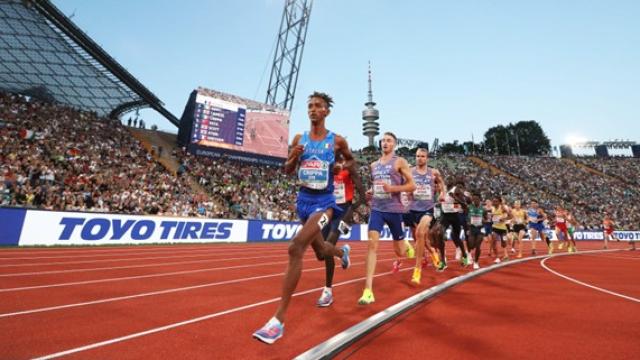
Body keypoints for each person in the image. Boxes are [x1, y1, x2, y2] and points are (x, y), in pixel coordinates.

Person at [253, 92, 352, 344]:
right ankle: (341, 253)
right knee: (321, 252)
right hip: (303, 203)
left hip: (325, 204)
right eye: (310, 106)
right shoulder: (300, 138)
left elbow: (352, 162)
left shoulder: (337, 141)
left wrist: (342, 168)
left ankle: (277, 321)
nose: (313, 109)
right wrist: (294, 156)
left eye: (318, 106)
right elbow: (287, 170)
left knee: (296, 247)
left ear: (326, 111)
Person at [358, 132, 416, 305]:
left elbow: (412, 185)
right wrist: (371, 191)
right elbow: (377, 184)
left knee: (399, 252)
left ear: (394, 144)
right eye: (383, 140)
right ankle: (368, 290)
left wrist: (392, 189)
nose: (385, 142)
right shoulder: (373, 165)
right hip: (377, 208)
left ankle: (404, 243)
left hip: (394, 210)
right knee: (372, 244)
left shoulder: (399, 162)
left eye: (389, 140)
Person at [316, 151, 366, 307]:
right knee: (321, 253)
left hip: (344, 212)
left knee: (328, 244)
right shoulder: (327, 167)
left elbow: (362, 193)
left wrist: (352, 209)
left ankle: (327, 291)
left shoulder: (349, 166)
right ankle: (341, 253)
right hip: (328, 210)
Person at [405, 148, 444, 285]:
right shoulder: (410, 171)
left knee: (420, 233)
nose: (419, 158)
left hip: (427, 209)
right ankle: (433, 253)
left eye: (422, 156)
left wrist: (442, 194)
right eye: (417, 156)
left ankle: (417, 270)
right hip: (412, 208)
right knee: (419, 238)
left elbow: (442, 184)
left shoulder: (434, 172)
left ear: (427, 158)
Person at [437, 176, 471, 269]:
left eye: (450, 179)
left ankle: (464, 255)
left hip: (454, 216)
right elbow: (441, 201)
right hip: (445, 216)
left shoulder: (455, 190)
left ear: (453, 182)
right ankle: (443, 261)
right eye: (446, 179)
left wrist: (455, 197)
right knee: (440, 234)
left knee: (457, 238)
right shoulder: (443, 191)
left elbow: (464, 205)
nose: (447, 181)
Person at [467, 192, 488, 269]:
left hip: (480, 229)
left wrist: (484, 220)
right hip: (472, 228)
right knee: (471, 245)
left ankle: (476, 262)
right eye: (474, 199)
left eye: (477, 199)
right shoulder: (469, 207)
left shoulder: (483, 209)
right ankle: (469, 252)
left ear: (480, 200)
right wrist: (468, 222)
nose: (475, 200)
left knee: (478, 245)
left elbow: (487, 219)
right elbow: (466, 217)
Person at [491, 196, 511, 263]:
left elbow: (511, 216)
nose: (494, 202)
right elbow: (492, 216)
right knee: (493, 241)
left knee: (503, 243)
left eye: (496, 201)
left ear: (499, 202)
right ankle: (497, 257)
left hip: (503, 229)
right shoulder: (492, 208)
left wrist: (504, 219)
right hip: (495, 227)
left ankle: (506, 255)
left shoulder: (502, 208)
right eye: (493, 201)